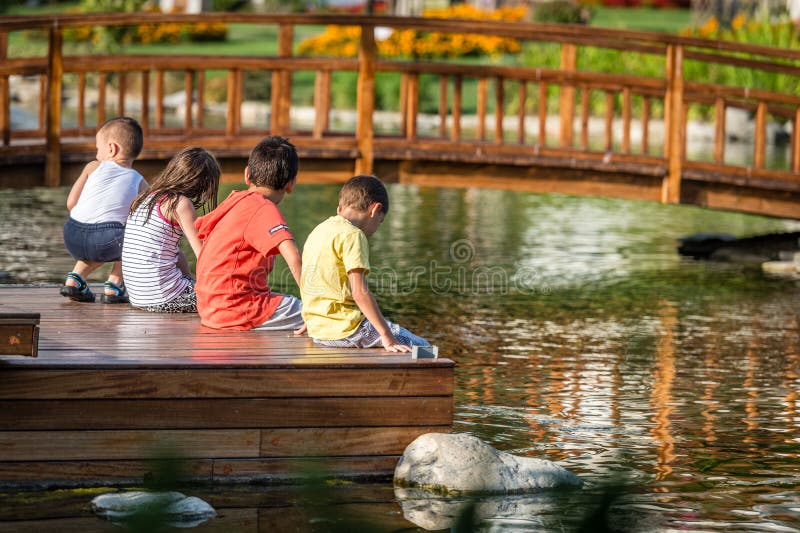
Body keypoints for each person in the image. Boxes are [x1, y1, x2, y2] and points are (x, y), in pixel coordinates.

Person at [300, 175, 429, 353]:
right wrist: (386, 335)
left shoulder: (319, 230)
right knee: (423, 347)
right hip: (346, 330)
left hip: (318, 329)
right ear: (375, 210)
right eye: (380, 222)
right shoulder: (353, 235)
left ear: (340, 207)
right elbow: (359, 292)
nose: (377, 228)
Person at [193, 136, 304, 331]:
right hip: (235, 309)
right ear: (291, 183)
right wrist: (317, 306)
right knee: (321, 315)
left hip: (210, 308)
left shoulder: (234, 202)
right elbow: (294, 258)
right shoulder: (263, 208)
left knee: (288, 301)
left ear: (247, 175)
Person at [121, 147, 220, 313]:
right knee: (229, 298)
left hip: (138, 297)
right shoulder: (179, 204)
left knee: (177, 253)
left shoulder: (145, 197)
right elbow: (203, 255)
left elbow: (176, 254)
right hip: (164, 297)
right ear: (201, 183)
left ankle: (188, 285)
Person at [60, 116, 147, 304]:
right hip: (106, 240)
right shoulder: (139, 181)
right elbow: (147, 217)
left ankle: (74, 279)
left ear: (111, 148)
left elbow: (71, 203)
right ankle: (114, 285)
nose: (96, 152)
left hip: (72, 234)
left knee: (98, 239)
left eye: (97, 148)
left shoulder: (92, 167)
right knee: (137, 235)